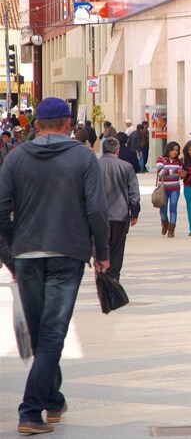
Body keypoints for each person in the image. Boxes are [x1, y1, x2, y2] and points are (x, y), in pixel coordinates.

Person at [0, 97, 110, 435]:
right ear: (67, 124)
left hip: (28, 254)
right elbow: (96, 208)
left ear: (37, 125)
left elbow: (1, 210)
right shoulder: (82, 157)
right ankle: (30, 411)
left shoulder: (15, 159)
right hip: (68, 252)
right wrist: (102, 251)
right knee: (51, 335)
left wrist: (11, 255)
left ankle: (53, 398)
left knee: (44, 333)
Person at [99, 137, 141, 282]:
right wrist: (134, 212)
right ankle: (114, 277)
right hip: (120, 215)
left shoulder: (93, 165)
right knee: (117, 248)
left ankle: (102, 275)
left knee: (100, 247)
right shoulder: (126, 167)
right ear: (118, 151)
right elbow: (134, 194)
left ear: (103, 149)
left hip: (98, 216)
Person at [156, 141, 183, 238]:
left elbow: (180, 174)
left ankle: (171, 229)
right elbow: (160, 172)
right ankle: (164, 223)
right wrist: (174, 171)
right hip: (163, 189)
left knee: (173, 208)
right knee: (162, 209)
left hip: (175, 188)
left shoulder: (179, 162)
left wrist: (182, 174)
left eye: (177, 150)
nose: (175, 152)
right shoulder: (161, 159)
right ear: (168, 150)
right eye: (173, 150)